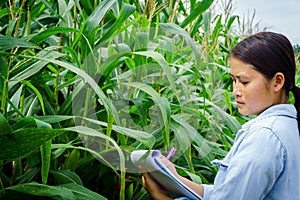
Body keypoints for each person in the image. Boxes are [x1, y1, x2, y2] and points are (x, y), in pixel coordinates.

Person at [139, 31, 300, 199]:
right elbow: (225, 193)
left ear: (277, 82)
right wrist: (176, 179)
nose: (235, 91)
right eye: (233, 80)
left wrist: (161, 197)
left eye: (244, 82)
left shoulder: (265, 136)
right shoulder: (289, 126)